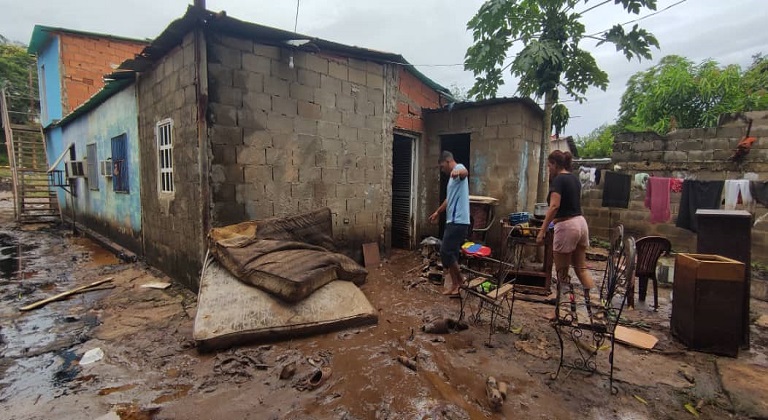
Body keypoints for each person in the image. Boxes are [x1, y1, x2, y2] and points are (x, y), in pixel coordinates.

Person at [536, 150, 594, 305]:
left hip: (567, 226)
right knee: (581, 269)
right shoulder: (574, 179)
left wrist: (542, 230)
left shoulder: (559, 180)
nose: (549, 169)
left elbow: (554, 206)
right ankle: (597, 306)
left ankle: (562, 310)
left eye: (549, 166)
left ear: (555, 164)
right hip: (581, 223)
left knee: (562, 273)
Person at [429, 151, 470, 296]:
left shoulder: (458, 168)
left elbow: (465, 172)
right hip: (453, 220)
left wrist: (458, 172)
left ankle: (459, 281)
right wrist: (437, 212)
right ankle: (456, 284)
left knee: (445, 251)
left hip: (458, 221)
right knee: (449, 253)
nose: (442, 170)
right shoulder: (451, 180)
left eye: (441, 166)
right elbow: (448, 200)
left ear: (447, 161)